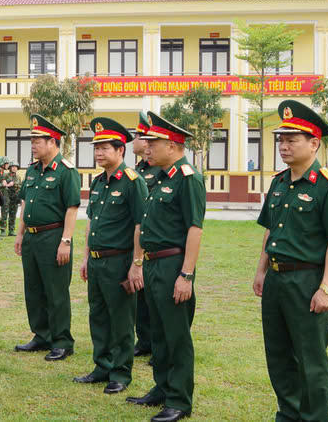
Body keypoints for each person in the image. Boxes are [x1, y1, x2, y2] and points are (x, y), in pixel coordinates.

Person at [253, 100, 328, 422]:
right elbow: (271, 230)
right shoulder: (278, 183)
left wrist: (327, 288)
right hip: (277, 281)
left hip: (307, 282)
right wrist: (261, 270)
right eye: (281, 139)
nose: (283, 145)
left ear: (314, 142)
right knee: (279, 356)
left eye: (291, 139)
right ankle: (289, 414)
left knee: (311, 360)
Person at [126, 112, 205, 422]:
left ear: (172, 145)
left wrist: (186, 274)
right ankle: (161, 388)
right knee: (157, 332)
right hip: (153, 263)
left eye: (153, 143)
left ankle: (180, 400)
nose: (147, 147)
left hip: (174, 263)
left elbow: (194, 229)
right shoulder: (160, 178)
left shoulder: (188, 178)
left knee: (176, 334)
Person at [75, 118, 148, 394]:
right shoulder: (98, 183)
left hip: (120, 260)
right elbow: (91, 222)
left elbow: (141, 225)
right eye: (96, 148)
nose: (99, 153)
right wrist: (84, 257)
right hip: (96, 260)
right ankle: (102, 366)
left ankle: (120, 372)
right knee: (98, 315)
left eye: (105, 147)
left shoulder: (132, 182)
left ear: (121, 151)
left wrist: (136, 264)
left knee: (121, 318)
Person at [14, 114, 81, 362]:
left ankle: (62, 340)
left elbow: (72, 208)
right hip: (32, 238)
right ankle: (41, 335)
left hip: (53, 237)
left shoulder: (66, 172)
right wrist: (20, 234)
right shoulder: (32, 171)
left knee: (56, 291)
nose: (33, 144)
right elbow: (25, 204)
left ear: (53, 142)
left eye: (37, 140)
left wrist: (66, 241)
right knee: (33, 289)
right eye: (32, 140)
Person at [132, 111, 161, 358]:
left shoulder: (160, 170)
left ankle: (157, 344)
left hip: (158, 243)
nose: (135, 141)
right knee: (140, 296)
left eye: (138, 136)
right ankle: (144, 341)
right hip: (139, 242)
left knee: (156, 298)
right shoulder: (139, 168)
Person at [4, 162, 22, 236]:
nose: (14, 168)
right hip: (7, 196)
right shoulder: (5, 176)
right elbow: (3, 184)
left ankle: (11, 230)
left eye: (16, 167)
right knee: (4, 213)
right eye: (13, 167)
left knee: (13, 214)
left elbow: (20, 186)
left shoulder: (18, 177)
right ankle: (3, 230)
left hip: (15, 197)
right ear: (10, 168)